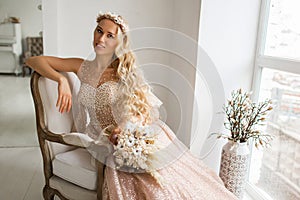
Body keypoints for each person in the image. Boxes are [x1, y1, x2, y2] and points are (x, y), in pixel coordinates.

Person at [26, 12, 237, 200]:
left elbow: (141, 110)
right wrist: (61, 80)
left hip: (129, 135)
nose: (100, 39)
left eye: (110, 35)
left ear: (119, 42)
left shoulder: (125, 72)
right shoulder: (82, 67)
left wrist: (124, 129)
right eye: (99, 31)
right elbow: (34, 60)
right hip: (98, 138)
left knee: (163, 185)